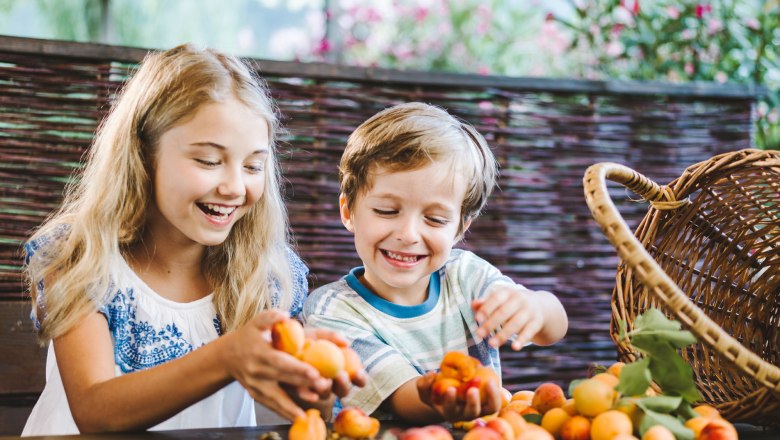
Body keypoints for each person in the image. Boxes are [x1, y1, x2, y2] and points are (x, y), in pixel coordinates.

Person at [22, 44, 362, 436]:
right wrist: (227, 357)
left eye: (253, 165)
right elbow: (96, 411)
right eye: (208, 161)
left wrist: (319, 381)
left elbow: (309, 411)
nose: (235, 187)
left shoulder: (266, 274)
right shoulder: (80, 256)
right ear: (143, 155)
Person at [302, 102, 568, 424]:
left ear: (460, 228)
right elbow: (404, 399)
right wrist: (446, 396)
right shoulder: (332, 311)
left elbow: (552, 329)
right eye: (387, 211)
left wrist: (536, 307)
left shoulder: (466, 276)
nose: (408, 234)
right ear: (348, 211)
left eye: (435, 218)